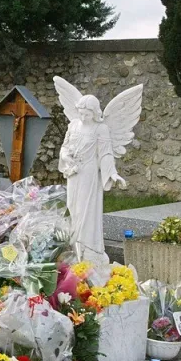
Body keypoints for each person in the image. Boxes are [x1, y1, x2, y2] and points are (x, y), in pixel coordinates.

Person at [58, 95, 126, 264]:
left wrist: (112, 173)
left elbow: (105, 153)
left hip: (89, 174)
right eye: (80, 113)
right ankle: (75, 247)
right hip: (74, 173)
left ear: (95, 113)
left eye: (87, 114)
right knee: (72, 207)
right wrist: (66, 156)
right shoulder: (73, 125)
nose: (83, 117)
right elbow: (65, 147)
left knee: (86, 211)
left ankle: (89, 250)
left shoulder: (100, 129)